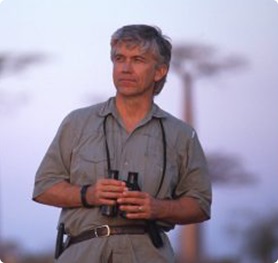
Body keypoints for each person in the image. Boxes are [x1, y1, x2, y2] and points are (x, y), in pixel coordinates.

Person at [32, 24, 212, 263]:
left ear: (159, 71)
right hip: (81, 252)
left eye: (138, 59)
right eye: (119, 58)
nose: (126, 68)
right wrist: (89, 194)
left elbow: (200, 204)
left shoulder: (181, 134)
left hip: (148, 253)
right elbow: (43, 187)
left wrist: (159, 208)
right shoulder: (77, 122)